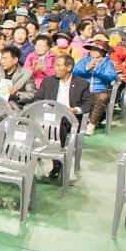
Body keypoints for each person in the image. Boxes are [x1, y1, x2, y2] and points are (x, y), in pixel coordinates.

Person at [37, 53, 90, 181]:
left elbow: (88, 103)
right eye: (55, 65)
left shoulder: (82, 83)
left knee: (59, 124)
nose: (55, 68)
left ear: (69, 67)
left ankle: (57, 162)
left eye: (58, 65)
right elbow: (37, 98)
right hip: (48, 115)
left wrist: (75, 110)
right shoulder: (48, 81)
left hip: (69, 117)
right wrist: (44, 107)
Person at [72, 41, 117, 135]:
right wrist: (86, 68)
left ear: (103, 52)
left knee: (103, 98)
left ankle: (91, 124)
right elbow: (74, 72)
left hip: (101, 91)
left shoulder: (108, 63)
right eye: (92, 49)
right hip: (84, 91)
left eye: (97, 50)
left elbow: (111, 76)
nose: (93, 52)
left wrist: (97, 70)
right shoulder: (84, 60)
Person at [0, 44, 36, 108]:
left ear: (15, 60)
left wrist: (16, 94)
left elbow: (31, 95)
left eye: (6, 59)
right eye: (2, 58)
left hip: (13, 108)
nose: (2, 61)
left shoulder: (27, 74)